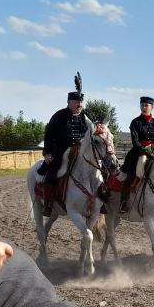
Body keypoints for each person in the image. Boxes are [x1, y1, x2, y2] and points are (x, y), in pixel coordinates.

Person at [38, 75, 88, 216]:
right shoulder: (58, 116)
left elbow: (89, 134)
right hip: (60, 152)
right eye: (76, 102)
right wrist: (47, 153)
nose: (79, 105)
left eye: (81, 102)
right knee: (51, 174)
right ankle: (47, 205)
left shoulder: (84, 117)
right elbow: (48, 136)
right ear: (68, 102)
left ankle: (100, 201)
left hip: (80, 152)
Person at [119, 96, 154, 213]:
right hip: (138, 153)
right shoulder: (135, 122)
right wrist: (144, 150)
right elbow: (135, 141)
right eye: (142, 105)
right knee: (130, 176)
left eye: (146, 105)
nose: (144, 108)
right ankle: (123, 203)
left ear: (152, 107)